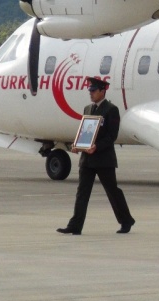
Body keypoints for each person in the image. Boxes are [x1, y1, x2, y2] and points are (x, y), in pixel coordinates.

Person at [57, 78, 136, 235]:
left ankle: (126, 220)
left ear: (102, 91)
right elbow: (85, 132)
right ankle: (75, 225)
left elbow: (112, 136)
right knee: (82, 193)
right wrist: (77, 145)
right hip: (87, 158)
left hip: (104, 159)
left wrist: (96, 147)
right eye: (90, 91)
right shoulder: (88, 109)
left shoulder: (111, 110)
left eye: (93, 91)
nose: (91, 94)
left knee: (112, 191)